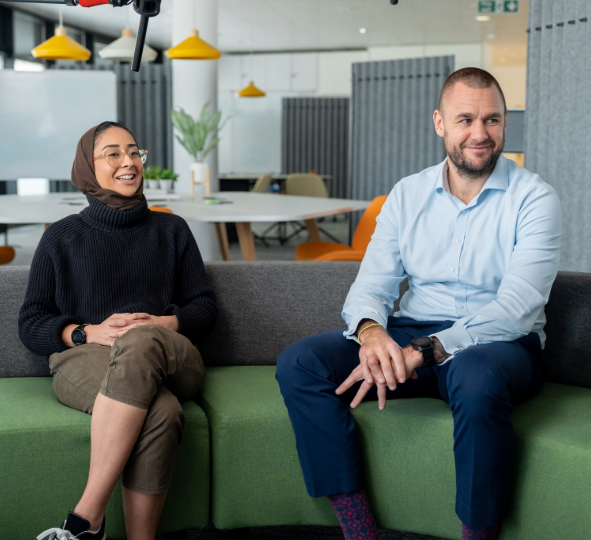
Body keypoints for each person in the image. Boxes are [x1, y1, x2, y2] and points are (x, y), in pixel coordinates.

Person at [276, 67, 561, 540]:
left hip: (500, 345)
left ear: (505, 124)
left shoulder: (535, 198)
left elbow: (517, 306)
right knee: (301, 362)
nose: (479, 133)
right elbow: (373, 283)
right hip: (413, 333)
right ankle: (359, 530)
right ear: (439, 123)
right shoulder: (407, 195)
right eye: (465, 119)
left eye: (492, 120)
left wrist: (424, 351)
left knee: (475, 376)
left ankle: (478, 533)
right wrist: (371, 333)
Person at [19, 122, 217, 540]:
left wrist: (164, 322)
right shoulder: (60, 238)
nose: (128, 162)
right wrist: (87, 332)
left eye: (133, 152)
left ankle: (86, 518)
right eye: (113, 153)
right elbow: (31, 322)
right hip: (87, 358)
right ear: (87, 167)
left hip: (171, 357)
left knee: (140, 338)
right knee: (161, 413)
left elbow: (205, 308)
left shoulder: (172, 229)